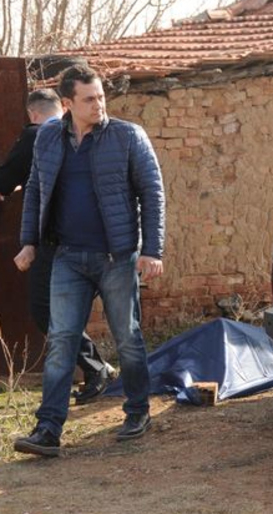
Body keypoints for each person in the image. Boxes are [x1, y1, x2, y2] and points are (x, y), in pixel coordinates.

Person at [12, 64, 165, 457]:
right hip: (66, 257)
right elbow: (34, 190)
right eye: (89, 99)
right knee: (62, 341)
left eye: (100, 96)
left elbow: (152, 193)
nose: (99, 104)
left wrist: (152, 250)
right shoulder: (48, 139)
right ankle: (48, 430)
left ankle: (136, 411)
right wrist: (29, 242)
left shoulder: (127, 136)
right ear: (67, 104)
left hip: (116, 257)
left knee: (127, 338)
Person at [0, 89, 115, 404]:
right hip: (98, 242)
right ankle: (99, 369)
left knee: (44, 309)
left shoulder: (37, 136)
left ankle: (95, 369)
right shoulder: (84, 136)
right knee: (71, 311)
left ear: (32, 114)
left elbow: (3, 183)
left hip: (56, 244)